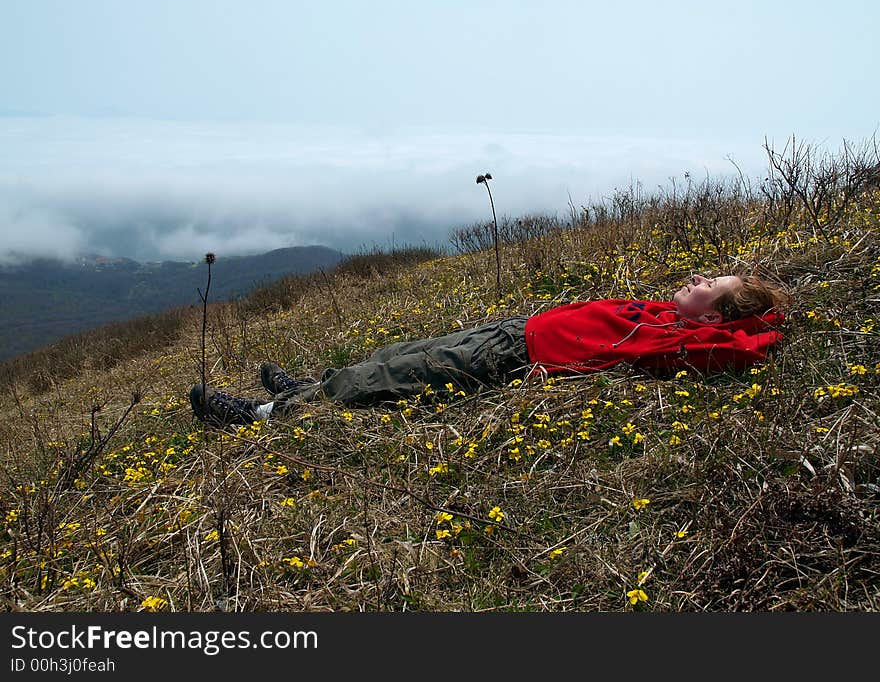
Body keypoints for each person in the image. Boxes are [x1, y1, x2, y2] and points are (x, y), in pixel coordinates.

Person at [190, 273, 789, 428]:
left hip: (511, 358)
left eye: (713, 287)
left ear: (712, 316)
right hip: (512, 329)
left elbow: (745, 345)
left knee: (401, 378)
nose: (700, 280)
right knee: (403, 353)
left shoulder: (681, 338)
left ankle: (265, 417)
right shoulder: (661, 313)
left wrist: (760, 319)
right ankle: (306, 389)